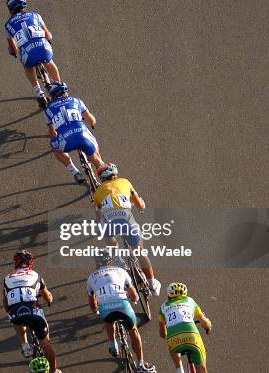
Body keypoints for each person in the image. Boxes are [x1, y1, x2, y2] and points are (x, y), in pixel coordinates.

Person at [93, 163, 161, 296]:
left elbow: (98, 216)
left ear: (101, 178)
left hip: (110, 222)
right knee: (140, 252)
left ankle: (117, 257)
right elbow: (139, 204)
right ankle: (152, 284)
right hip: (126, 220)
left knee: (108, 235)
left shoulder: (97, 192)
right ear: (115, 173)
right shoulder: (125, 182)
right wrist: (141, 207)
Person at [87, 249, 157, 373]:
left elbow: (92, 302)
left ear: (97, 263)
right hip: (123, 305)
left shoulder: (91, 278)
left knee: (108, 320)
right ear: (110, 261)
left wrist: (95, 311)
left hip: (106, 309)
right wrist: (134, 300)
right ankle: (140, 364)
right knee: (133, 330)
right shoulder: (121, 271)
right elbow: (133, 293)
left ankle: (113, 344)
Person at [3, 250, 62, 373]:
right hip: (33, 312)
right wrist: (49, 300)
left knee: (14, 315)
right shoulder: (35, 274)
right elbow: (46, 295)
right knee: (46, 343)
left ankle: (25, 345)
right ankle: (55, 370)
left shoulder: (7, 278)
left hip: (16, 313)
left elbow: (5, 301)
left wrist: (8, 311)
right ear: (29, 263)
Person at [43, 81, 105, 184]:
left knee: (55, 148)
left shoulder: (48, 109)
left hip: (66, 140)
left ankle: (75, 172)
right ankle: (99, 164)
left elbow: (52, 132)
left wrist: (55, 139)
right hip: (82, 136)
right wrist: (92, 123)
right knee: (95, 153)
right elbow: (91, 120)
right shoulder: (76, 100)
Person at [4, 0, 61, 108]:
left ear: (11, 9)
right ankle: (59, 87)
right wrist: (49, 40)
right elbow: (48, 34)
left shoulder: (7, 25)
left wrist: (14, 52)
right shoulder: (36, 15)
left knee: (27, 65)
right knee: (49, 62)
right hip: (44, 49)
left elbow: (13, 48)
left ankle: (39, 93)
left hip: (29, 54)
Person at [159, 282, 213, 373]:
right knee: (202, 368)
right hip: (192, 335)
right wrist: (208, 326)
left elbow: (163, 333)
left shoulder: (163, 307)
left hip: (173, 338)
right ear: (185, 294)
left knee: (171, 344)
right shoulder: (190, 301)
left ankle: (179, 369)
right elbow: (204, 323)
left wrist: (168, 334)